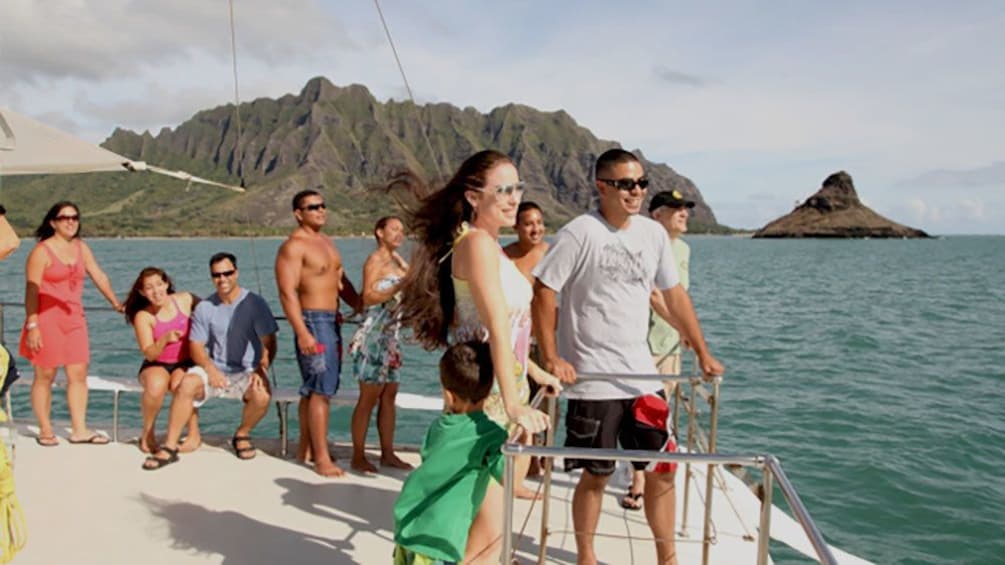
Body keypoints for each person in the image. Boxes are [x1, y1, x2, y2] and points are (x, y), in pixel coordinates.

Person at [532, 149, 724, 565]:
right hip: (593, 378)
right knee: (596, 474)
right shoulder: (579, 233)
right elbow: (544, 290)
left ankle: (666, 558)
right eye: (625, 184)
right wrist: (551, 356)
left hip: (643, 376)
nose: (635, 191)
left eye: (641, 183)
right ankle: (586, 556)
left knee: (662, 470)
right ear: (602, 187)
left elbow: (674, 295)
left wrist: (703, 351)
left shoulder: (653, 235)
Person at [392, 149, 558, 562]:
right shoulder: (478, 245)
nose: (513, 197)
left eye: (517, 187)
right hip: (492, 400)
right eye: (502, 189)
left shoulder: (490, 247)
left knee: (492, 528)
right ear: (472, 196)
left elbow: (514, 331)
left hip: (506, 386)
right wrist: (516, 403)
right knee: (488, 532)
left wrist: (537, 370)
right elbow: (497, 327)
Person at [141, 252, 277, 470]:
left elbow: (269, 342)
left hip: (247, 370)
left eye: (227, 273)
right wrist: (210, 369)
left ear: (236, 273)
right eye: (216, 275)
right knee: (186, 384)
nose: (222, 279)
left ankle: (242, 434)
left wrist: (261, 369)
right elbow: (195, 346)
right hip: (213, 366)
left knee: (262, 396)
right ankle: (170, 446)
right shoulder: (205, 307)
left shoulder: (255, 304)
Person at [392, 341, 508, 565]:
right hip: (440, 541)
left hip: (409, 527)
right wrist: (528, 434)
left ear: (447, 395)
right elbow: (511, 476)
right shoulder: (490, 435)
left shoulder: (439, 427)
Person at [19, 201, 122, 446]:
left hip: (75, 319)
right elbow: (31, 291)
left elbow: (99, 275)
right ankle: (45, 429)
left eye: (74, 217)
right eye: (64, 217)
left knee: (78, 374)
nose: (70, 221)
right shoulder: (41, 252)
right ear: (53, 222)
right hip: (46, 320)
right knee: (45, 375)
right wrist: (32, 325)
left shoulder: (81, 248)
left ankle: (80, 430)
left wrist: (116, 304)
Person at [275, 189, 362, 478]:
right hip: (312, 321)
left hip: (332, 320)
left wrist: (361, 303)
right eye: (313, 207)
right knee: (322, 390)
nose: (320, 211)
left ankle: (307, 448)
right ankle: (322, 458)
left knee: (314, 388)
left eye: (323, 205)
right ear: (298, 213)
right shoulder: (293, 247)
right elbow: (287, 293)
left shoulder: (327, 243)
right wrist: (302, 332)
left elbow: (340, 280)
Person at [621, 190, 695, 511]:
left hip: (671, 346)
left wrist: (684, 331)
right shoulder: (646, 246)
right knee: (644, 414)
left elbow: (679, 295)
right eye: (675, 209)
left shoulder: (685, 250)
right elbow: (653, 295)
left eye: (685, 209)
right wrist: (684, 327)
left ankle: (656, 474)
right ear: (657, 216)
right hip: (646, 345)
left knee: (662, 415)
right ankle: (638, 481)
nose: (684, 214)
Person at [348, 215, 412, 473]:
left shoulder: (397, 261)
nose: (399, 234)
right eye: (394, 229)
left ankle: (387, 452)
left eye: (402, 230)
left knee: (389, 396)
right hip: (374, 336)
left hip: (392, 337)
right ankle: (358, 455)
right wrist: (397, 286)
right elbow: (368, 296)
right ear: (379, 232)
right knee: (368, 398)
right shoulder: (375, 260)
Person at [123, 267, 202, 455]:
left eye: (159, 284)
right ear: (142, 292)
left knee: (180, 385)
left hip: (185, 361)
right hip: (157, 362)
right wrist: (164, 340)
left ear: (167, 284)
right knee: (156, 385)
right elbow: (150, 353)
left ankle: (194, 434)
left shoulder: (185, 300)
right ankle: (148, 432)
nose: (156, 291)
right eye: (149, 288)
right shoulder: (143, 316)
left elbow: (211, 312)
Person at [503, 201, 551, 478]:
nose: (536, 229)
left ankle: (539, 458)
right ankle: (515, 457)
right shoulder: (504, 256)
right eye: (529, 223)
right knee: (515, 397)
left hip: (541, 339)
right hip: (512, 339)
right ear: (516, 227)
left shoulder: (550, 254)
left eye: (540, 223)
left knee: (542, 399)